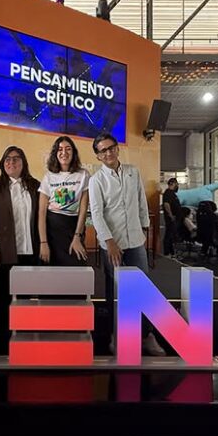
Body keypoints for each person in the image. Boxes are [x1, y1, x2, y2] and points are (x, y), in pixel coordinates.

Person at [88, 133, 166, 357]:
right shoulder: (96, 180)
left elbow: (141, 201)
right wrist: (109, 242)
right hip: (112, 244)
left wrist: (144, 228)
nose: (108, 153)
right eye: (103, 151)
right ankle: (116, 335)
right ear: (98, 156)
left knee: (143, 290)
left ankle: (147, 335)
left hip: (136, 241)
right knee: (115, 292)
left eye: (111, 148)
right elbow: (97, 214)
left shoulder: (133, 172)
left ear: (117, 148)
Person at [0, 146, 40, 353]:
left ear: (23, 163)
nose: (11, 162)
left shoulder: (35, 186)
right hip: (5, 250)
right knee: (2, 290)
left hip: (29, 249)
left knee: (26, 290)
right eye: (7, 159)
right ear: (2, 163)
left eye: (16, 159)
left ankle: (22, 325)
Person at [38, 136, 90, 265]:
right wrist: (43, 242)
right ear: (55, 153)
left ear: (73, 152)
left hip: (74, 227)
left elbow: (83, 210)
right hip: (52, 230)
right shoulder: (48, 176)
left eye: (68, 149)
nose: (64, 152)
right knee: (53, 270)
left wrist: (77, 236)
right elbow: (42, 212)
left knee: (77, 265)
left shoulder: (83, 174)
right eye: (60, 149)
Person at [162, 178, 182, 257]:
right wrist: (171, 215)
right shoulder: (168, 193)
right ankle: (167, 253)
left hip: (174, 217)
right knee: (169, 235)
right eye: (176, 184)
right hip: (171, 218)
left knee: (171, 236)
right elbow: (166, 204)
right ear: (173, 183)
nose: (177, 186)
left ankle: (171, 253)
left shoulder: (172, 193)